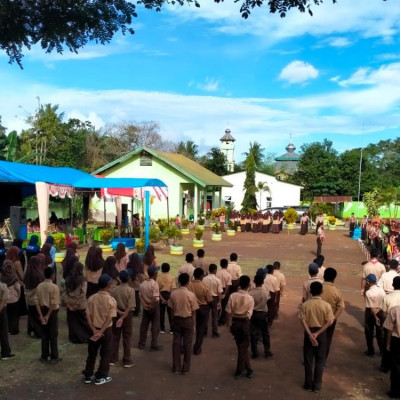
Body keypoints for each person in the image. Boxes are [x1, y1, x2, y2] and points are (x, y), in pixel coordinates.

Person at [299, 281, 334, 392]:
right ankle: (317, 384)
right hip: (321, 333)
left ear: (310, 291)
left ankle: (308, 384)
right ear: (322, 291)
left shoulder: (305, 305)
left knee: (308, 359)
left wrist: (310, 334)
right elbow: (329, 322)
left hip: (309, 333)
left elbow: (303, 321)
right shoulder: (326, 306)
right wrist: (317, 334)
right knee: (320, 360)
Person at [82, 273, 117, 385]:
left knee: (92, 353)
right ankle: (101, 376)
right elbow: (109, 317)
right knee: (106, 353)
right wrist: (101, 331)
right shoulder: (111, 300)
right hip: (106, 330)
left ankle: (88, 374)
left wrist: (94, 330)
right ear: (108, 285)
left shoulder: (92, 298)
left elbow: (87, 314)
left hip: (93, 329)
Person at [168, 272, 199, 375]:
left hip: (177, 319)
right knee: (187, 344)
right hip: (188, 320)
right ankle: (185, 368)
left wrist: (172, 321)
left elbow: (171, 309)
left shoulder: (173, 294)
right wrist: (193, 324)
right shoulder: (191, 295)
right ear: (188, 282)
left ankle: (176, 367)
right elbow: (194, 311)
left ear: (179, 282)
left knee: (176, 343)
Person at [226, 275, 254, 379]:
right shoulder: (250, 298)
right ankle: (239, 370)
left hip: (235, 323)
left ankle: (249, 369)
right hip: (244, 324)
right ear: (249, 285)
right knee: (243, 347)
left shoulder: (233, 296)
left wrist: (228, 323)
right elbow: (247, 315)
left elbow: (228, 311)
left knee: (241, 347)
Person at [110, 269, 135, 368]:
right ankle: (126, 360)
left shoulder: (114, 289)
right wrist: (124, 315)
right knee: (127, 337)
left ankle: (112, 358)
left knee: (115, 336)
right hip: (127, 315)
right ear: (128, 279)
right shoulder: (130, 290)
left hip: (116, 314)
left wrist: (119, 313)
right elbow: (130, 306)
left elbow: (112, 304)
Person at [36, 267, 61, 363]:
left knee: (44, 334)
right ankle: (54, 356)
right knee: (53, 334)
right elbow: (54, 303)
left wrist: (41, 315)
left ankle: (44, 355)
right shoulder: (54, 287)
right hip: (52, 312)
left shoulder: (39, 286)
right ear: (52, 275)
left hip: (42, 310)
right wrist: (48, 315)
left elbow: (36, 302)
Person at [63, 261, 91, 344]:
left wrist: (68, 304)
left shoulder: (67, 279)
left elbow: (64, 292)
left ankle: (74, 337)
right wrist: (77, 305)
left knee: (72, 322)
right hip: (80, 304)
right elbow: (83, 294)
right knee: (83, 322)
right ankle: (85, 337)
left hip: (70, 303)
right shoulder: (82, 280)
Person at [320, 268, 345, 362]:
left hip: (316, 318)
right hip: (329, 319)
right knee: (327, 339)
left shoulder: (318, 287)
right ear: (334, 278)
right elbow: (341, 307)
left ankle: (311, 357)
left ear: (323, 276)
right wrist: (333, 318)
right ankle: (322, 360)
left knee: (314, 337)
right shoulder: (336, 291)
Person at [188, 267, 213, 355]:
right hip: (202, 308)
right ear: (202, 276)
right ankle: (197, 348)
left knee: (190, 328)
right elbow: (209, 300)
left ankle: (186, 347)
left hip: (190, 308)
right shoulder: (204, 287)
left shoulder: (188, 285)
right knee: (200, 329)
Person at [138, 266, 162, 351]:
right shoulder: (154, 284)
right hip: (154, 306)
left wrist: (145, 305)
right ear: (155, 274)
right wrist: (151, 305)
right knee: (155, 326)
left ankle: (141, 343)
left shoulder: (143, 284)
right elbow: (155, 297)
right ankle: (154, 344)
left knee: (144, 325)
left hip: (145, 307)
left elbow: (140, 296)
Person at [249, 274, 273, 359]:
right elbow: (268, 301)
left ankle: (255, 352)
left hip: (253, 314)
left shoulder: (251, 293)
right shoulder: (266, 292)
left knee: (253, 333)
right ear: (263, 282)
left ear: (254, 282)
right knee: (265, 333)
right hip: (262, 314)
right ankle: (267, 351)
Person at [380, 276, 400, 373]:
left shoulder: (387, 297)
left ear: (393, 285)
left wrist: (385, 322)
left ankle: (385, 366)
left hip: (391, 327)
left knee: (387, 346)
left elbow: (383, 313)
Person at [364, 273, 385, 357]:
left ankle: (370, 350)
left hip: (371, 313)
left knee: (369, 332)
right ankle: (382, 350)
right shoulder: (381, 290)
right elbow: (383, 303)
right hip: (381, 311)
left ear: (369, 282)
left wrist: (375, 317)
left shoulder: (368, 292)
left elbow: (371, 307)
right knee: (380, 332)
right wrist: (379, 310)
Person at [24, 256, 45, 338]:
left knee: (31, 315)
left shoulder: (28, 272)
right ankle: (38, 332)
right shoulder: (39, 274)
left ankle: (30, 330)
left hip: (29, 297)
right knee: (37, 315)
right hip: (37, 298)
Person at [383, 304, 400, 398]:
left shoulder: (395, 310)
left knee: (396, 366)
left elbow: (389, 328)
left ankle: (395, 391)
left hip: (397, 341)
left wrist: (388, 343)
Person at [0, 260, 21, 335]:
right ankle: (14, 330)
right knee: (14, 316)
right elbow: (18, 288)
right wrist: (18, 296)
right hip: (13, 299)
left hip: (3, 300)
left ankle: (7, 329)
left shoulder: (1, 276)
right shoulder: (14, 277)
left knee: (6, 316)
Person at [203, 264, 223, 338]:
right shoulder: (217, 280)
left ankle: (204, 331)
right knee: (214, 316)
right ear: (215, 270)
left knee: (206, 316)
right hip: (214, 299)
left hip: (206, 298)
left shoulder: (204, 279)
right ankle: (214, 332)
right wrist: (219, 301)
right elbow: (219, 292)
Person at [157, 262, 176, 334]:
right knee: (171, 313)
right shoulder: (171, 277)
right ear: (169, 269)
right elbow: (173, 288)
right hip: (169, 295)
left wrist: (161, 298)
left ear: (161, 269)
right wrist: (169, 298)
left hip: (161, 294)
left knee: (161, 313)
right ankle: (172, 329)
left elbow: (157, 289)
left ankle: (162, 328)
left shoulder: (158, 277)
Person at [0, 279, 15, 360]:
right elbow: (4, 300)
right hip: (2, 311)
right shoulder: (3, 286)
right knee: (4, 332)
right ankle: (5, 353)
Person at [217, 258, 232, 326]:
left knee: (218, 305)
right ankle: (222, 320)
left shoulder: (217, 273)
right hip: (225, 290)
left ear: (220, 265)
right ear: (227, 265)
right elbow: (228, 285)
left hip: (218, 290)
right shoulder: (228, 274)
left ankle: (216, 318)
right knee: (224, 306)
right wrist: (225, 293)